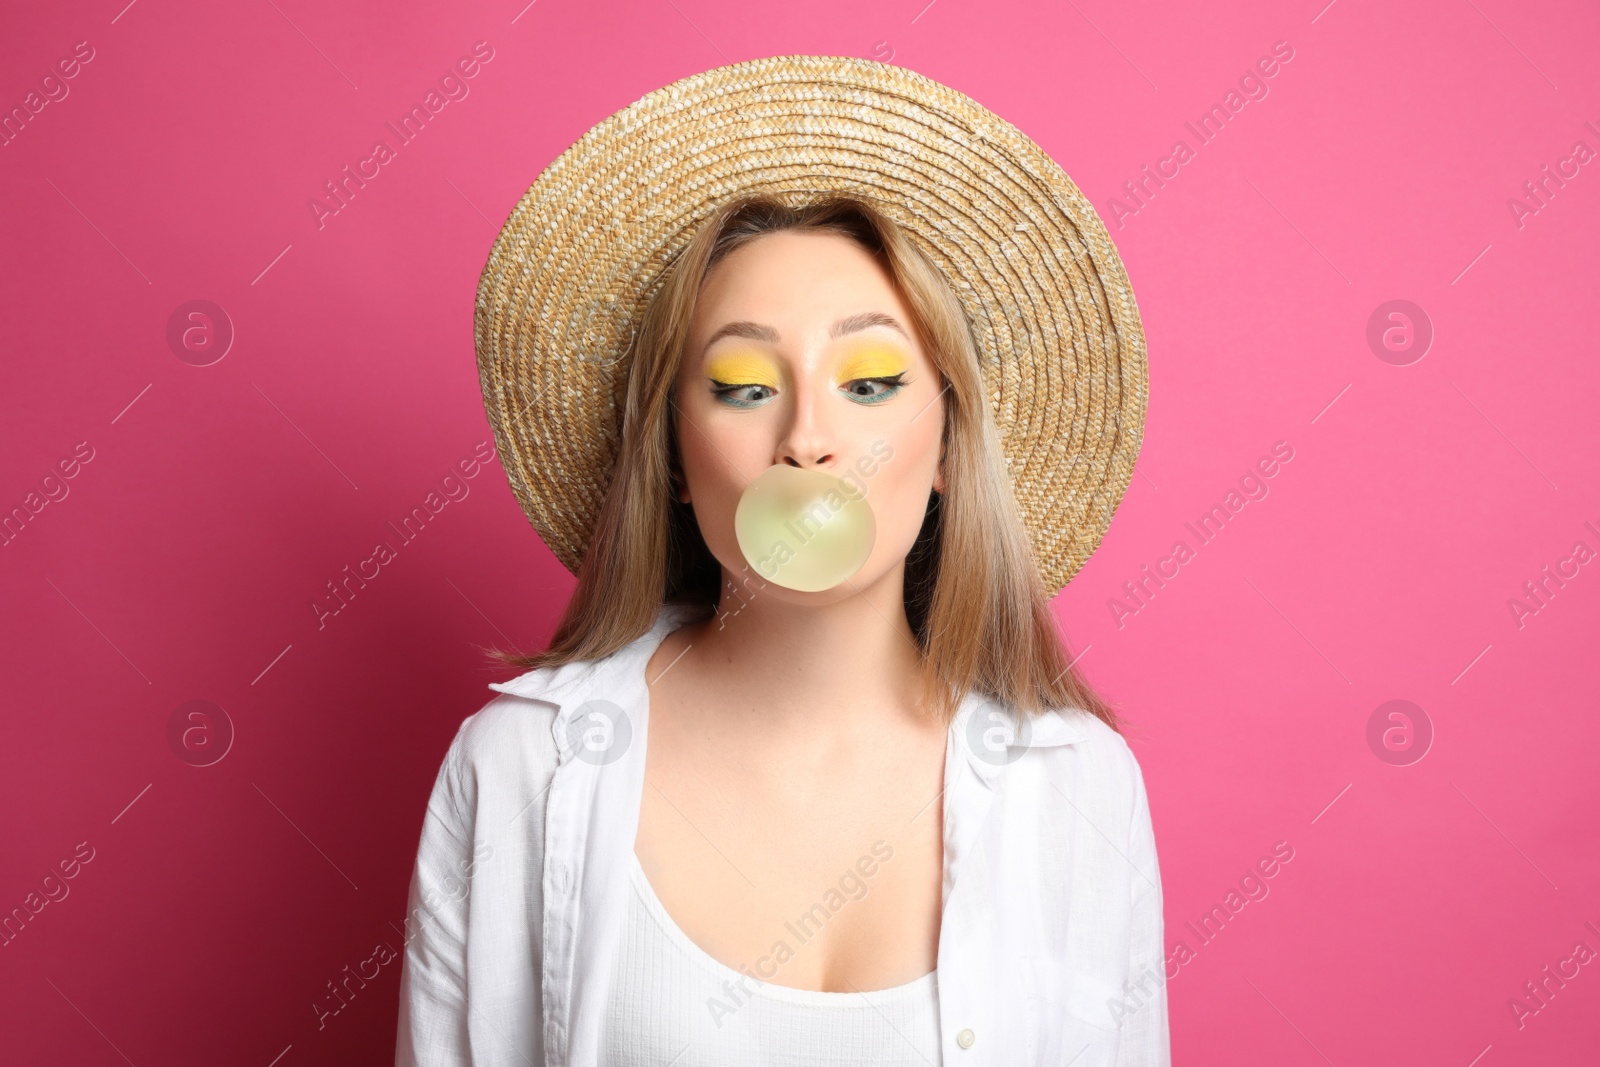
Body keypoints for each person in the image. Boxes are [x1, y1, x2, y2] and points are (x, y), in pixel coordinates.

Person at [397, 56, 1166, 1067]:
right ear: (675, 458)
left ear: (945, 449)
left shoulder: (1078, 787)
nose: (808, 438)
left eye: (871, 380)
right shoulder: (517, 771)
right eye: (746, 387)